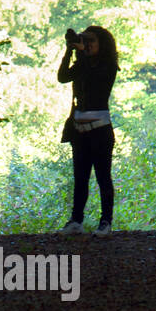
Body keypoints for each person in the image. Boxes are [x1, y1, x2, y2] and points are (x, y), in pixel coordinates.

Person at [57, 24, 118, 237]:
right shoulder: (83, 64)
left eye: (92, 40)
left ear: (102, 44)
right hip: (79, 131)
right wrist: (69, 51)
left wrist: (81, 54)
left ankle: (106, 222)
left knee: (103, 177)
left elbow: (96, 79)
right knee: (80, 178)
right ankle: (76, 221)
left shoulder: (108, 65)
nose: (88, 44)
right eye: (85, 40)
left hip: (100, 131)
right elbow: (63, 77)